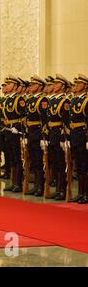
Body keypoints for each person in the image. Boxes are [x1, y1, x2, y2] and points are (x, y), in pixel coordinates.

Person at [45, 74, 71, 200]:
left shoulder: (64, 101)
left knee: (61, 163)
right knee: (55, 162)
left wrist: (64, 138)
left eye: (56, 84)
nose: (54, 86)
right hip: (51, 134)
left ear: (62, 86)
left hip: (59, 133)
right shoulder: (53, 100)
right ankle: (58, 189)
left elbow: (66, 121)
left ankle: (63, 190)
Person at [24, 75, 49, 196]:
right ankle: (36, 186)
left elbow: (45, 120)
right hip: (31, 133)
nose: (31, 87)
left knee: (39, 160)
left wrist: (44, 137)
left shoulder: (42, 100)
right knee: (34, 161)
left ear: (39, 86)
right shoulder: (30, 100)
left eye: (33, 85)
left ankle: (41, 186)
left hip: (39, 133)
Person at [1, 75, 27, 193]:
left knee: (17, 158)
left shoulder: (19, 99)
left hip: (15, 132)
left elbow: (24, 116)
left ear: (15, 86)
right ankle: (13, 182)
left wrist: (17, 127)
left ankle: (18, 184)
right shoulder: (7, 99)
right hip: (8, 131)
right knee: (11, 157)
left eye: (10, 83)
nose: (7, 86)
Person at [67, 74, 88, 204]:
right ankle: (80, 193)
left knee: (85, 166)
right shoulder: (74, 100)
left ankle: (86, 193)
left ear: (85, 85)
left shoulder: (86, 100)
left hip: (83, 136)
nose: (77, 85)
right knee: (79, 166)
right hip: (75, 135)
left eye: (80, 83)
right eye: (76, 83)